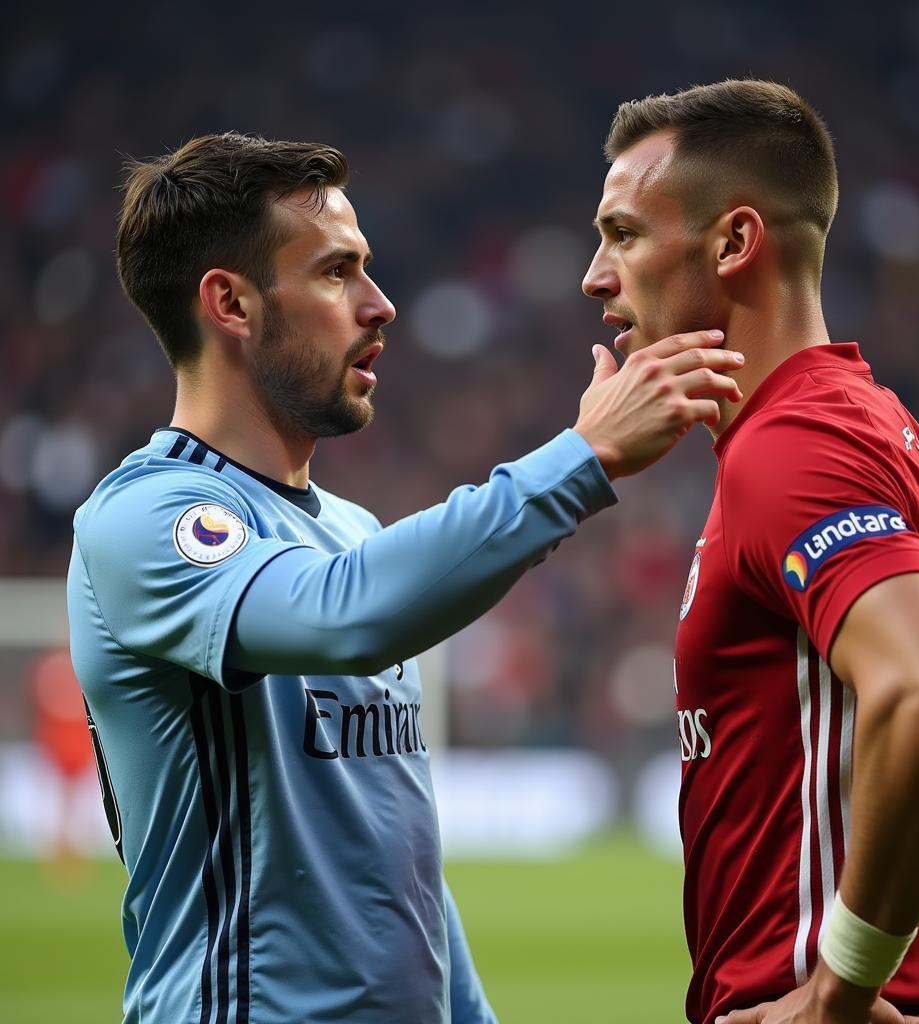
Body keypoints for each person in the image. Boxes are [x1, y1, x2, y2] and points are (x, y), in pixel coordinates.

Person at [66, 131, 744, 1024]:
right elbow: (344, 616)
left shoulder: (349, 533)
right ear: (230, 303)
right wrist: (584, 457)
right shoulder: (142, 520)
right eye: (337, 273)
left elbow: (397, 870)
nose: (380, 306)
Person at [583, 81, 919, 1024]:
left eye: (622, 234)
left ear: (735, 243)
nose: (595, 275)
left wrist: (840, 989)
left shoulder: (798, 446)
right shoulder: (858, 422)